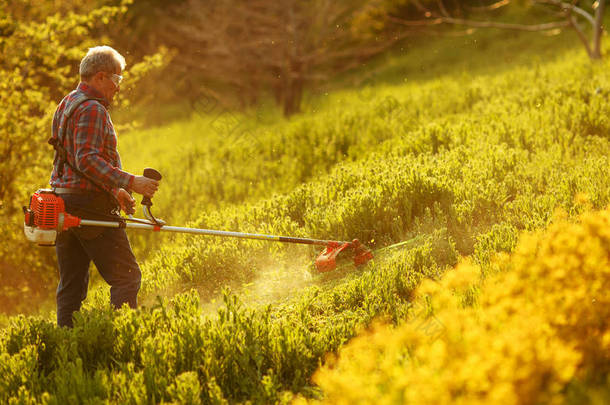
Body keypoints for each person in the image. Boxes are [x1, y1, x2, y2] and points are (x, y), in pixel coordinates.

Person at [49, 46, 159, 327]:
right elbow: (86, 160)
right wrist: (132, 182)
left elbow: (73, 161)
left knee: (71, 286)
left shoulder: (67, 102)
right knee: (127, 276)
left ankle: (67, 343)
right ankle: (119, 340)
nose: (119, 87)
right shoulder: (93, 109)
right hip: (89, 206)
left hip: (63, 203)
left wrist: (115, 190)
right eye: (117, 79)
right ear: (100, 77)